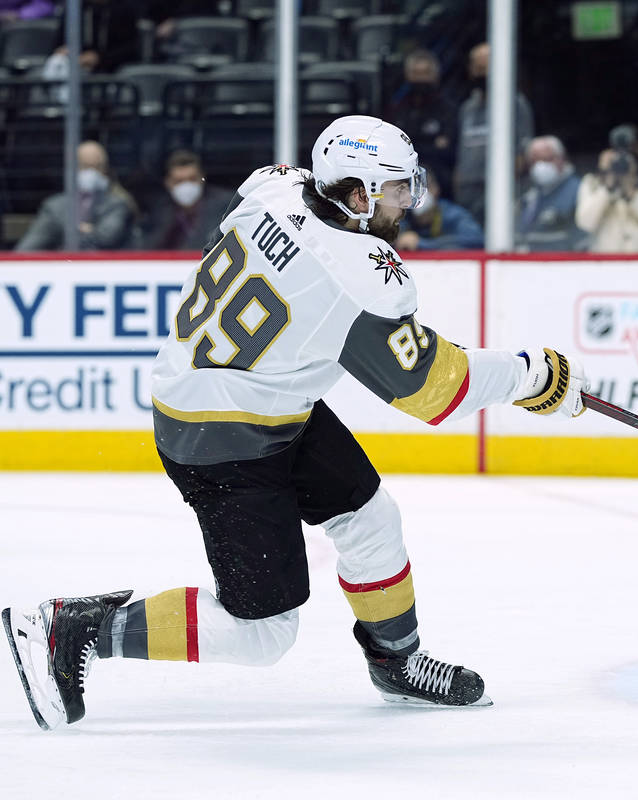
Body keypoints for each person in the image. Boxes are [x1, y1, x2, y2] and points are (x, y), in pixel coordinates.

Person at [2, 115, 589, 730]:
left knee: (371, 519)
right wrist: (533, 375)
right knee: (262, 632)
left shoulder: (278, 186)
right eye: (394, 190)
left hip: (261, 396)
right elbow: (435, 391)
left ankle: (396, 662)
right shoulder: (356, 275)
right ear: (357, 194)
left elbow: (264, 225)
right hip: (219, 437)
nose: (405, 202)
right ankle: (72, 629)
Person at [454, 42, 534, 226]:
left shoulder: (515, 104)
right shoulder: (467, 108)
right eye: (478, 68)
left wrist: (504, 185)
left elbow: (524, 152)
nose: (482, 74)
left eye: (487, 68)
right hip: (468, 192)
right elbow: (461, 152)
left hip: (500, 191)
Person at [16, 140, 138, 251]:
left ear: (106, 169)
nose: (91, 173)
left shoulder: (118, 204)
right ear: (72, 168)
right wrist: (88, 230)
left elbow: (106, 239)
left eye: (97, 166)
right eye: (84, 166)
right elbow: (28, 248)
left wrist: (72, 230)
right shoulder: (56, 207)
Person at [575, 123, 638, 253]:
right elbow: (585, 223)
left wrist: (632, 193)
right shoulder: (593, 182)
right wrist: (607, 186)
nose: (624, 158)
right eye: (617, 152)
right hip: (603, 262)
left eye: (631, 151)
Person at [385, 48, 458, 202]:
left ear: (435, 76)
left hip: (442, 190)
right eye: (415, 74)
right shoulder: (397, 109)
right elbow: (392, 151)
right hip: (401, 187)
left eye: (425, 73)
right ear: (407, 76)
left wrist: (414, 145)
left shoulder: (448, 109)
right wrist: (432, 144)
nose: (420, 79)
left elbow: (448, 151)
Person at [139, 150, 234, 251]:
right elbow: (146, 247)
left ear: (202, 178)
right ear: (168, 182)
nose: (186, 185)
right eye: (179, 181)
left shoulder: (225, 205)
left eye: (192, 179)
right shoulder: (156, 211)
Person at [515, 134, 586, 252]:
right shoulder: (528, 196)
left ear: (562, 158)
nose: (540, 166)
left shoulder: (580, 190)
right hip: (528, 265)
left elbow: (582, 240)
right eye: (534, 161)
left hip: (564, 265)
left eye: (546, 159)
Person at [393, 169, 483, 251]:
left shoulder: (453, 214)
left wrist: (421, 244)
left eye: (425, 187)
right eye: (412, 189)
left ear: (436, 189)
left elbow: (477, 240)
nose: (420, 195)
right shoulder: (399, 216)